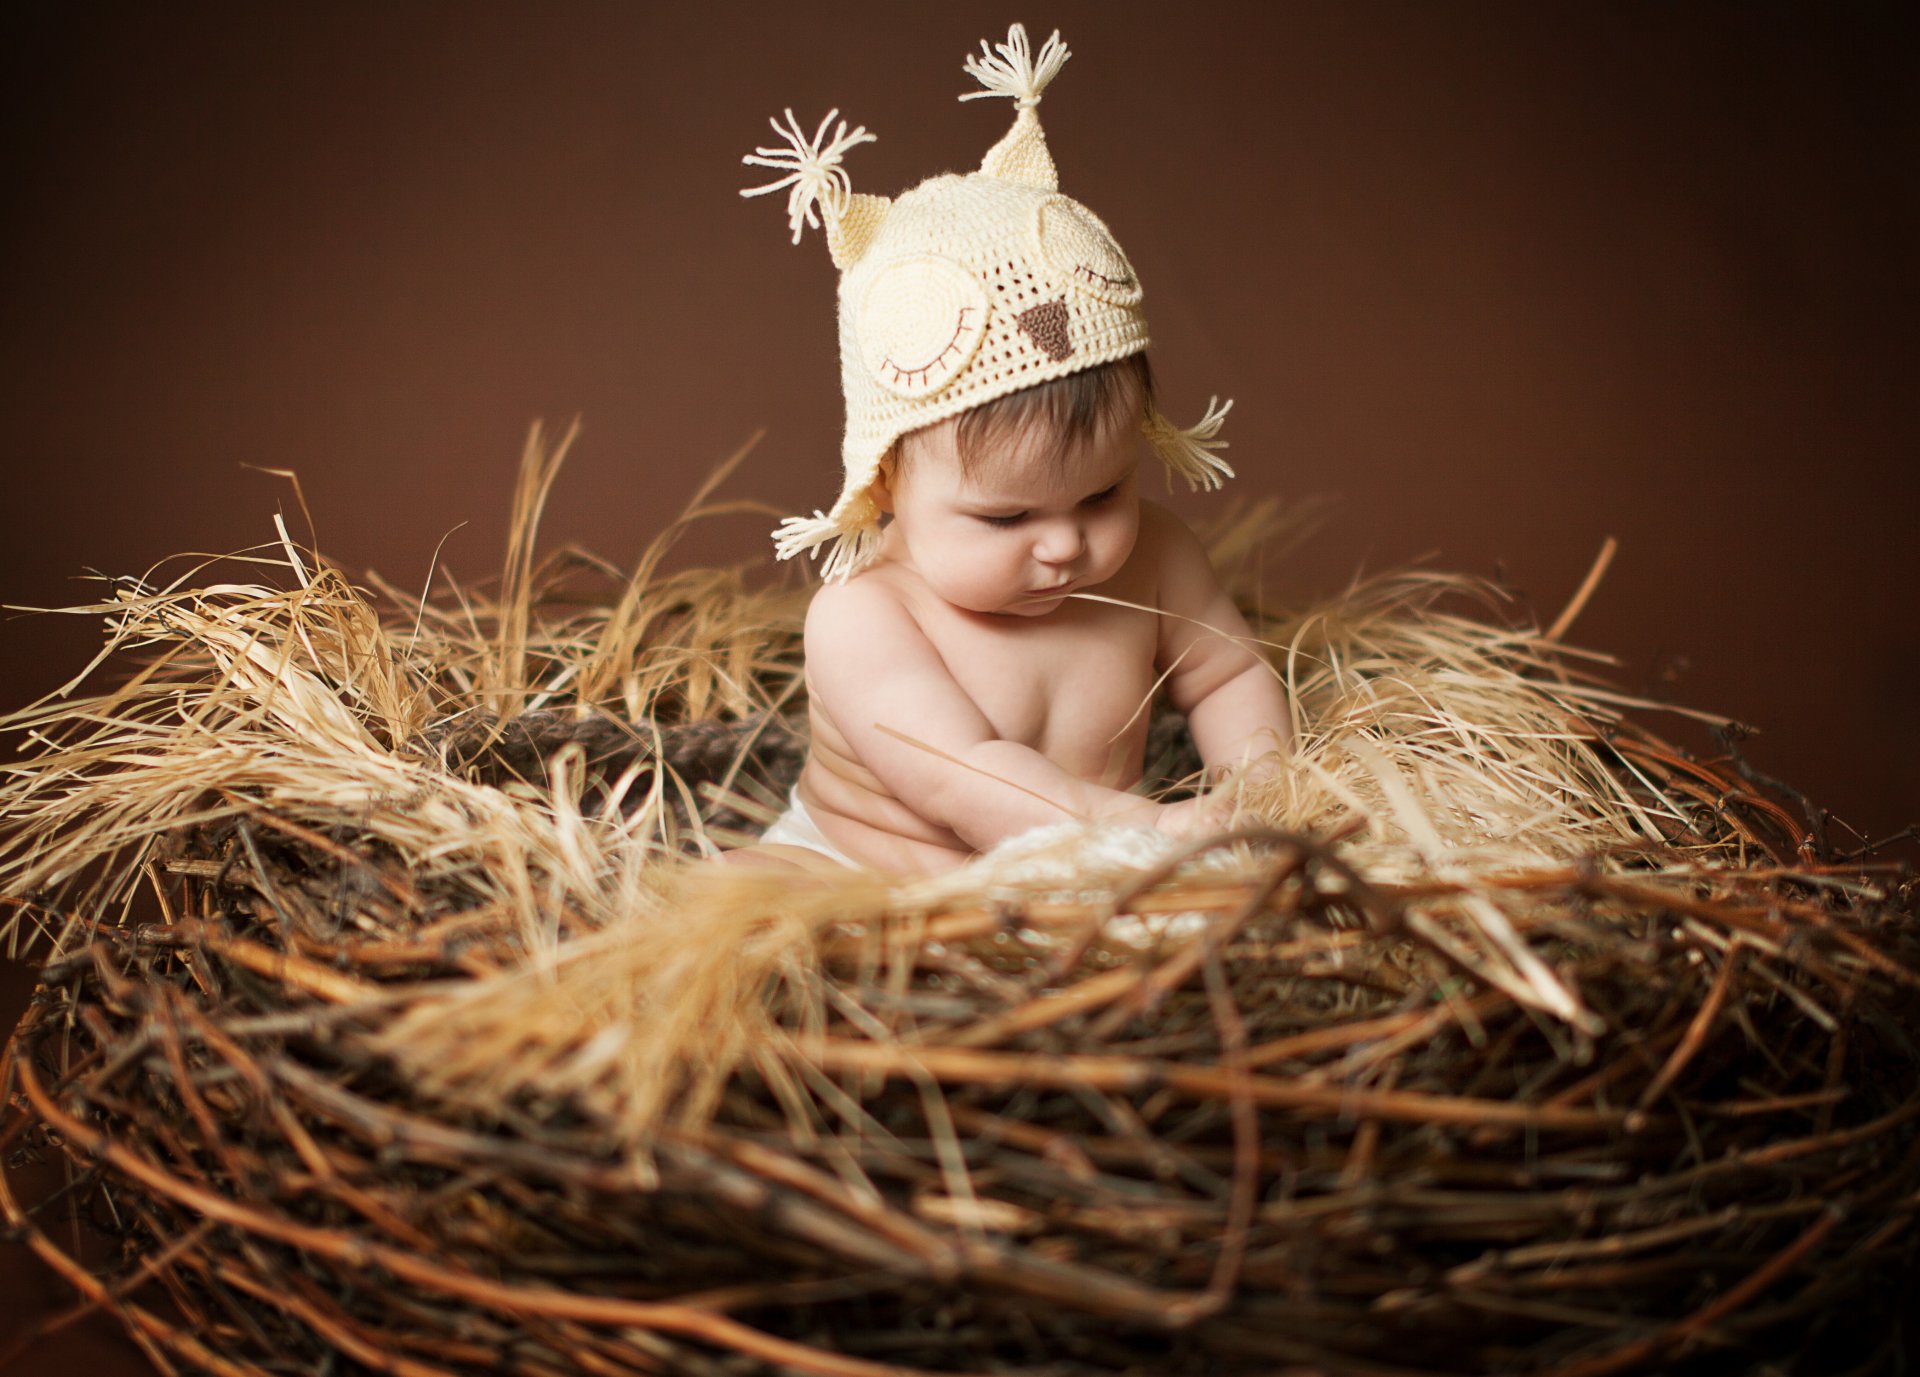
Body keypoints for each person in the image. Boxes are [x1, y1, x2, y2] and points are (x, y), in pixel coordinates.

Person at [734, 24, 1291, 874]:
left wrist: (1257, 793)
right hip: (860, 868)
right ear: (885, 483)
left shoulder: (1158, 560)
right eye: (1005, 516)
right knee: (741, 900)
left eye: (1103, 494)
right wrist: (1149, 833)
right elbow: (966, 780)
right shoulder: (864, 617)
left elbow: (1226, 676)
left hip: (1082, 868)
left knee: (1225, 917)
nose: (1067, 543)